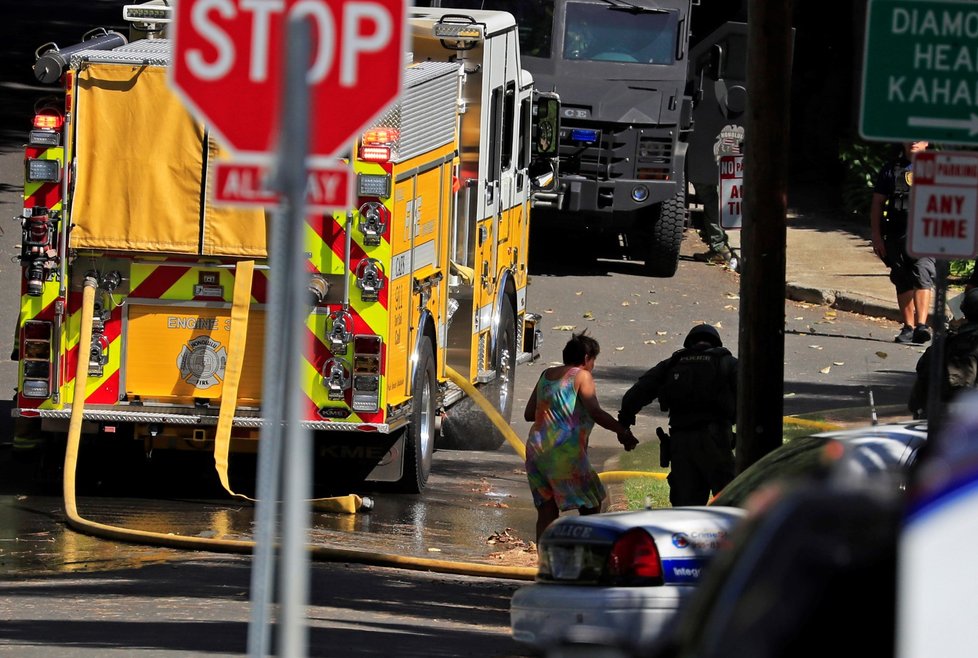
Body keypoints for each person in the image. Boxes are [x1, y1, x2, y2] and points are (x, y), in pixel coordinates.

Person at [524, 331, 638, 543]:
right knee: (591, 505)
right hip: (564, 451)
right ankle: (588, 559)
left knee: (547, 513)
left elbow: (529, 413)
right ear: (587, 358)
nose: (593, 365)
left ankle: (545, 564)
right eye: (593, 360)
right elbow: (595, 411)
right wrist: (623, 431)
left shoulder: (546, 375)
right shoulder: (581, 375)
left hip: (536, 451)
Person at [617, 324, 737, 507]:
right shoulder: (727, 362)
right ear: (716, 343)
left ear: (689, 343)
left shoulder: (672, 364)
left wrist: (624, 423)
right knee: (731, 504)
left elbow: (636, 394)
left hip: (681, 443)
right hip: (717, 440)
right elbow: (754, 397)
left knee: (685, 509)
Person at [870, 141, 936, 344]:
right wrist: (877, 236)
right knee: (902, 278)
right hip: (896, 234)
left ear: (927, 142)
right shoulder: (891, 169)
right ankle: (908, 327)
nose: (914, 141)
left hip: (926, 234)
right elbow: (877, 203)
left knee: (922, 273)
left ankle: (922, 326)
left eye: (919, 138)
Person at [908, 288, 978, 419]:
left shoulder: (946, 342)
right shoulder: (968, 346)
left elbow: (916, 398)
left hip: (931, 418)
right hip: (961, 424)